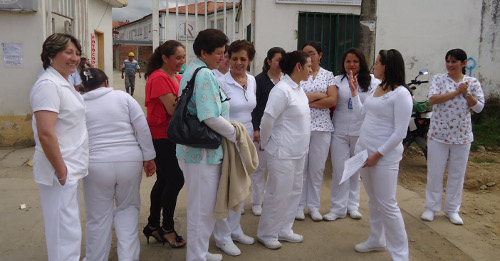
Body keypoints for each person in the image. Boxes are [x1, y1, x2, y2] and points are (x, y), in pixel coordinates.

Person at [80, 68, 157, 261]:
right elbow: (142, 127)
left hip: (96, 164)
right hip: (129, 161)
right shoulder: (123, 98)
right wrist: (149, 157)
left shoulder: (79, 103)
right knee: (128, 209)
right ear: (106, 82)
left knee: (97, 218)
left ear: (83, 87)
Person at [30, 33, 88, 261]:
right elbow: (45, 132)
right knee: (63, 231)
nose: (75, 58)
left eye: (77, 53)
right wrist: (62, 170)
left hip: (68, 167)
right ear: (51, 55)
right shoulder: (47, 85)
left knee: (69, 227)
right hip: (59, 169)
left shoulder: (63, 81)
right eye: (68, 52)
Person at [349, 49, 412, 260]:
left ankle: (401, 255)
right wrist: (354, 93)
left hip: (384, 156)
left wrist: (378, 154)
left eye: (377, 62)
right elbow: (360, 115)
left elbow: (400, 133)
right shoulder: (377, 88)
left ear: (387, 66)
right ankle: (377, 240)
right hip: (364, 151)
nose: (373, 66)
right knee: (374, 201)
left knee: (387, 203)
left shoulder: (401, 94)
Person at [175, 29, 232, 261]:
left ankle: (199, 252)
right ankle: (196, 256)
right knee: (202, 209)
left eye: (223, 53)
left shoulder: (192, 69)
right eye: (218, 53)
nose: (223, 58)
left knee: (201, 207)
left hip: (194, 151)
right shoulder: (204, 74)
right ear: (204, 52)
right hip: (202, 153)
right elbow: (209, 117)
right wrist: (236, 135)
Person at [421, 49, 485, 225]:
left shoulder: (472, 82)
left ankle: (452, 209)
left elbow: (479, 108)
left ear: (463, 63)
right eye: (448, 61)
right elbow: (432, 99)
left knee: (457, 174)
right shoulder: (439, 79)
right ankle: (431, 207)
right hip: (438, 135)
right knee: (435, 172)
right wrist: (456, 92)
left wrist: (466, 93)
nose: (450, 65)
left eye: (454, 61)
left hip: (462, 136)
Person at [256, 50, 312, 250]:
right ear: (298, 66)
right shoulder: (282, 90)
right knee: (277, 193)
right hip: (282, 152)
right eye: (308, 65)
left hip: (299, 151)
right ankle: (267, 232)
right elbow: (267, 120)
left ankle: (284, 229)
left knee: (294, 191)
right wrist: (265, 142)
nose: (311, 69)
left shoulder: (298, 88)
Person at [324, 48, 380, 221]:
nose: (351, 64)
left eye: (355, 61)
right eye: (348, 61)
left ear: (361, 62)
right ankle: (337, 208)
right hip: (339, 130)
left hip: (360, 131)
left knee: (355, 169)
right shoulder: (336, 80)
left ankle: (353, 206)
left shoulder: (372, 81)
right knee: (340, 170)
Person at [213, 40, 257, 256]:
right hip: (229, 137)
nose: (238, 63)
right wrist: (232, 135)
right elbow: (217, 114)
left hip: (246, 138)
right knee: (227, 186)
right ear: (228, 58)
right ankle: (222, 236)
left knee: (242, 185)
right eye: (234, 58)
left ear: (249, 60)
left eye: (243, 59)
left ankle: (235, 228)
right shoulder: (220, 82)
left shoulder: (252, 80)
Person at [143, 40, 187, 248]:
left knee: (164, 180)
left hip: (172, 136)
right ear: (165, 58)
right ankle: (167, 228)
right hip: (161, 136)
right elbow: (172, 109)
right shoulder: (159, 77)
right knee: (175, 180)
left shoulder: (175, 76)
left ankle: (153, 225)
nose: (182, 61)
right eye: (178, 58)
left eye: (183, 57)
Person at [296, 41, 337, 221]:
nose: (309, 57)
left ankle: (313, 206)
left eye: (311, 53)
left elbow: (332, 100)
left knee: (317, 169)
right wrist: (320, 96)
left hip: (322, 128)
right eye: (305, 54)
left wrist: (307, 101)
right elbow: (296, 100)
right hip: (301, 127)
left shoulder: (328, 75)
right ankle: (298, 205)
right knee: (301, 168)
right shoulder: (298, 75)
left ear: (320, 55)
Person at [250, 47, 286, 216]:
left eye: (282, 60)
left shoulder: (287, 80)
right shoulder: (259, 81)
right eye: (277, 60)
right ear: (269, 61)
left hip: (281, 131)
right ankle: (256, 201)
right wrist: (256, 128)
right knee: (259, 168)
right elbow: (255, 107)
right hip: (263, 130)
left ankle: (271, 200)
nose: (280, 63)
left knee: (276, 169)